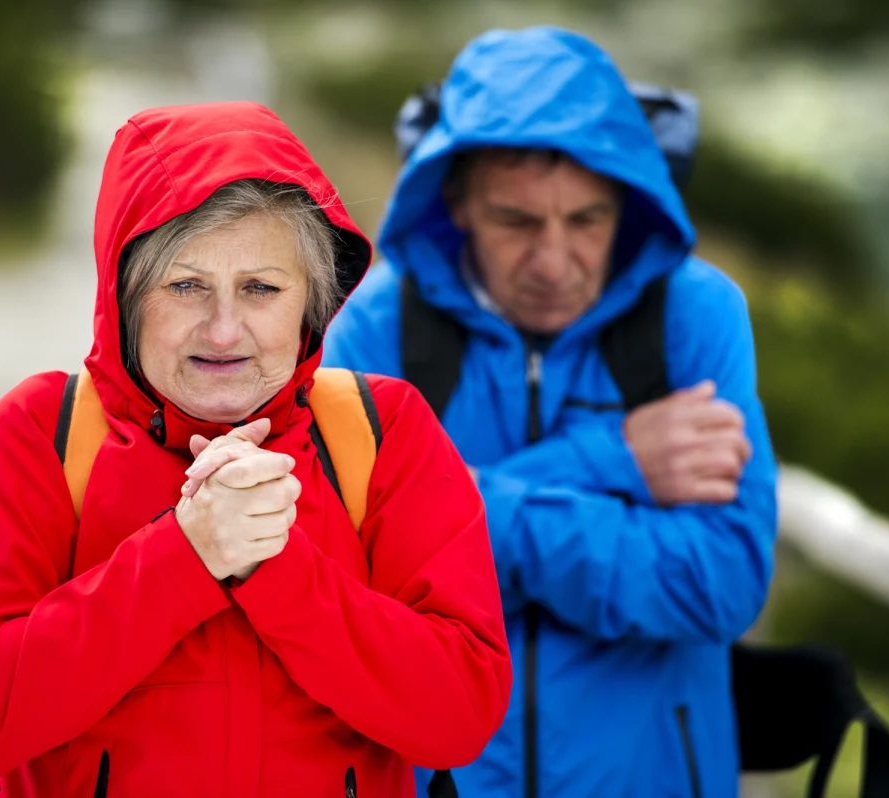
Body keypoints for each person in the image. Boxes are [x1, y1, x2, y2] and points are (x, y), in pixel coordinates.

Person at [0, 101, 512, 797]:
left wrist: (277, 569)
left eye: (261, 287)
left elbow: (460, 717)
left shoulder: (381, 432)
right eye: (185, 286)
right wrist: (184, 554)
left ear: (311, 305)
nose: (224, 330)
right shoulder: (41, 433)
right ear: (126, 295)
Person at [324, 27, 779, 798]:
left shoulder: (696, 315)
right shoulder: (374, 326)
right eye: (516, 221)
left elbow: (721, 583)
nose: (555, 261)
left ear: (628, 203)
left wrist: (447, 514)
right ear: (457, 203)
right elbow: (352, 582)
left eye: (588, 220)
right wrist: (612, 459)